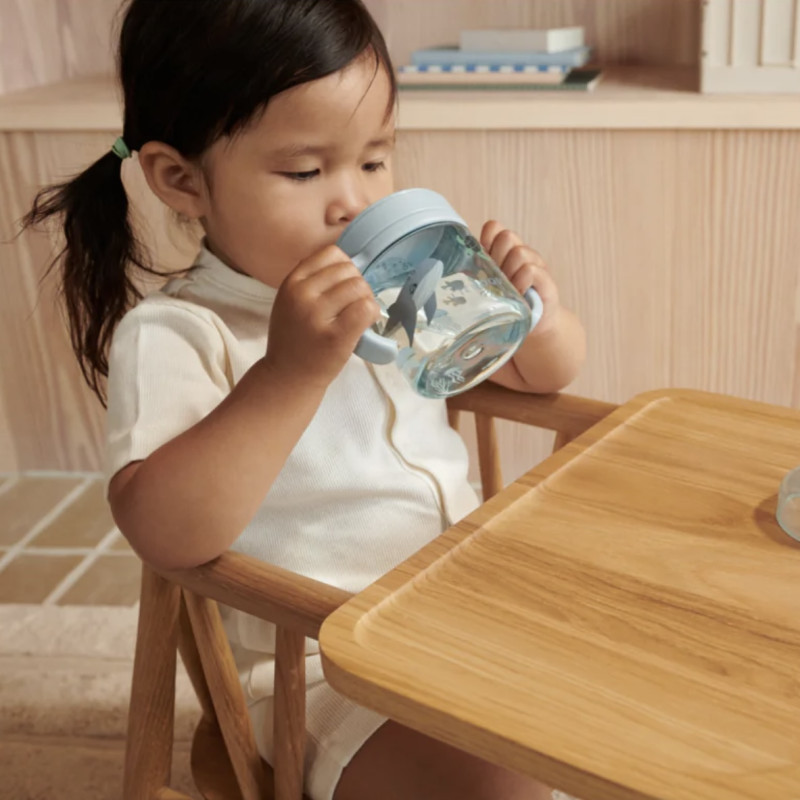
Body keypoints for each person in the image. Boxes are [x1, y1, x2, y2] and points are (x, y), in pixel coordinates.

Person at [24, 1, 586, 798]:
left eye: (375, 160)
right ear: (181, 180)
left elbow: (540, 378)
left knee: (632, 708)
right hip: (325, 671)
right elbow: (163, 531)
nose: (352, 202)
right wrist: (289, 375)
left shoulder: (399, 283)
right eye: (305, 170)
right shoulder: (182, 334)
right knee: (501, 787)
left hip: (471, 613)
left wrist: (535, 319)